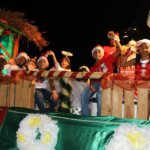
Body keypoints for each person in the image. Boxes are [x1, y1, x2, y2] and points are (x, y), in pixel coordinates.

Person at [81, 31, 122, 116]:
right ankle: (85, 116)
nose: (97, 54)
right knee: (84, 94)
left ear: (102, 53)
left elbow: (120, 50)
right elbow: (91, 79)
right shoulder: (92, 67)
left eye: (99, 52)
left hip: (107, 82)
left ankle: (99, 117)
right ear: (93, 55)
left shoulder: (108, 58)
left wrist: (115, 39)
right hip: (97, 83)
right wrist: (91, 85)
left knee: (100, 94)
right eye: (95, 52)